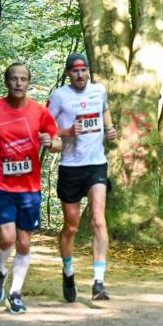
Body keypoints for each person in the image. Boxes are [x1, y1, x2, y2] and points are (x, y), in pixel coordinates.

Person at [0, 63, 61, 313]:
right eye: (14, 79)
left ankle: (15, 292)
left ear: (28, 83)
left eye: (23, 79)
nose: (18, 83)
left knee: (24, 243)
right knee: (8, 237)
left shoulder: (39, 112)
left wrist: (51, 143)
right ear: (7, 82)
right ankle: (0, 272)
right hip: (1, 183)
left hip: (29, 187)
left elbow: (56, 142)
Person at [47, 53, 118, 302]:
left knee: (99, 220)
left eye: (83, 71)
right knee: (72, 226)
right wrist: (66, 131)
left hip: (96, 164)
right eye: (75, 71)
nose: (80, 75)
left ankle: (99, 282)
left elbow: (105, 110)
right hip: (70, 166)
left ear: (89, 71)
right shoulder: (59, 96)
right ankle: (68, 271)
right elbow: (44, 126)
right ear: (68, 73)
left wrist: (109, 128)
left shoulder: (99, 91)